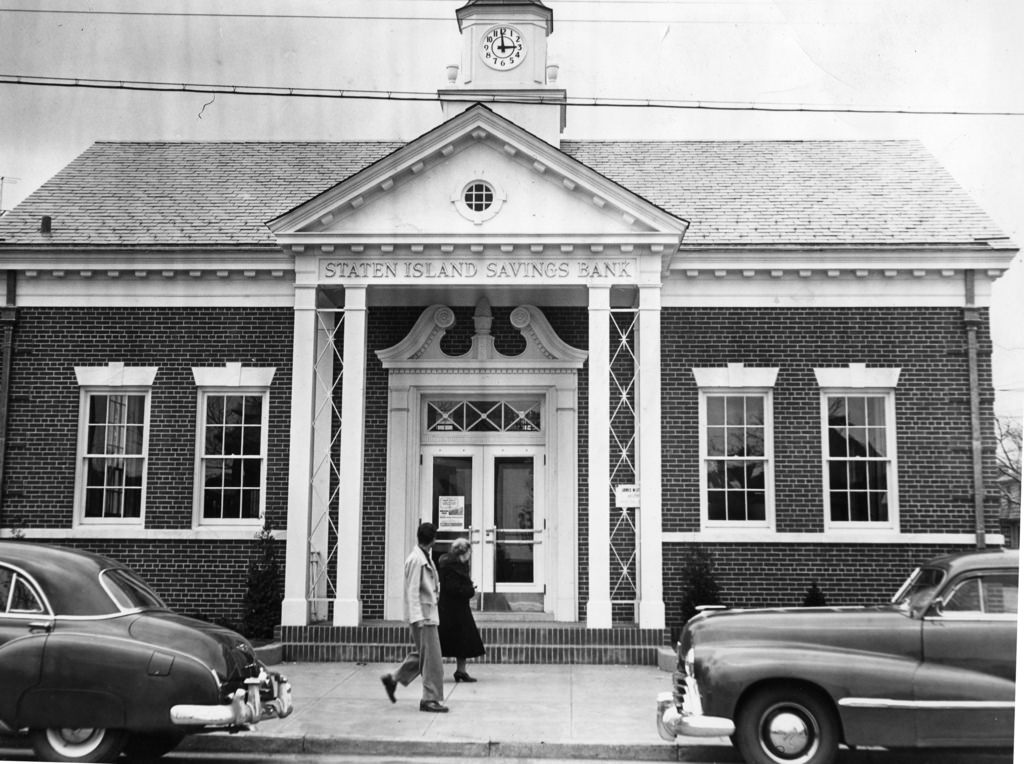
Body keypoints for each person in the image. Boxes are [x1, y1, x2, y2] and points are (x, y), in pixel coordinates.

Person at [380, 521, 448, 713]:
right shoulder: (416, 560)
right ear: (433, 539)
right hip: (423, 618)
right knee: (433, 660)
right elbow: (412, 591)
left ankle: (393, 679)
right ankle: (429, 699)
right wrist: (417, 618)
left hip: (426, 615)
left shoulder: (423, 556)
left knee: (425, 655)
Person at [437, 537, 485, 682]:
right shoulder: (453, 567)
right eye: (469, 551)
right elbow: (453, 588)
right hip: (454, 610)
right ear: (464, 552)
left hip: (452, 609)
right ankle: (456, 671)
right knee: (456, 640)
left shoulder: (452, 565)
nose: (470, 555)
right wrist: (470, 591)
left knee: (456, 641)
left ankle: (460, 671)